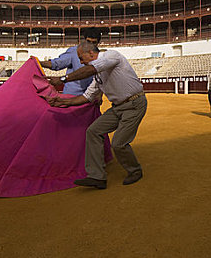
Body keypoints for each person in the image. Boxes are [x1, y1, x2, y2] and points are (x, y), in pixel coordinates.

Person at [47, 42, 146, 189]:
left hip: (134, 105)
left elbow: (90, 69)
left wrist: (63, 79)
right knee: (93, 131)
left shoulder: (112, 55)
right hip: (118, 107)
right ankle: (97, 176)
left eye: (81, 58)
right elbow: (87, 97)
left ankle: (135, 170)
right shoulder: (97, 76)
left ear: (91, 54)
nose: (80, 62)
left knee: (118, 143)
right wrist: (63, 102)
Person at [40, 28, 101, 95]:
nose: (91, 45)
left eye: (94, 42)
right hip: (72, 95)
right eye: (88, 42)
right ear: (84, 40)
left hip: (91, 96)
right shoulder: (74, 51)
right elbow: (56, 64)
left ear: (98, 43)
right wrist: (38, 63)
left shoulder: (99, 56)